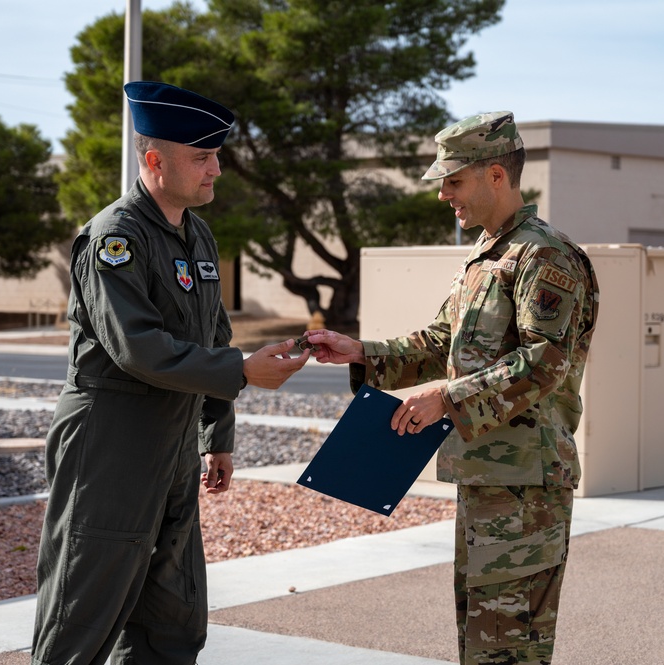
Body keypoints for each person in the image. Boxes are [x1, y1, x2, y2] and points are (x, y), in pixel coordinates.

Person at [305, 111, 599, 665]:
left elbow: (543, 363)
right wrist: (362, 353)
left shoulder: (544, 257)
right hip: (488, 479)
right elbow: (444, 342)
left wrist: (446, 398)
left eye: (453, 180)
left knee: (510, 651)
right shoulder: (486, 257)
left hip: (526, 490)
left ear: (496, 175)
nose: (444, 195)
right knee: (481, 645)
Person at [30, 81, 309, 665]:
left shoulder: (195, 232)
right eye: (202, 158)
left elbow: (213, 336)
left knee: (173, 619)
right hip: (111, 443)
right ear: (154, 160)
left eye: (215, 156)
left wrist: (217, 437)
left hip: (175, 446)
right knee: (83, 613)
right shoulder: (115, 237)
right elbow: (139, 348)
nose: (217, 170)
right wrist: (242, 373)